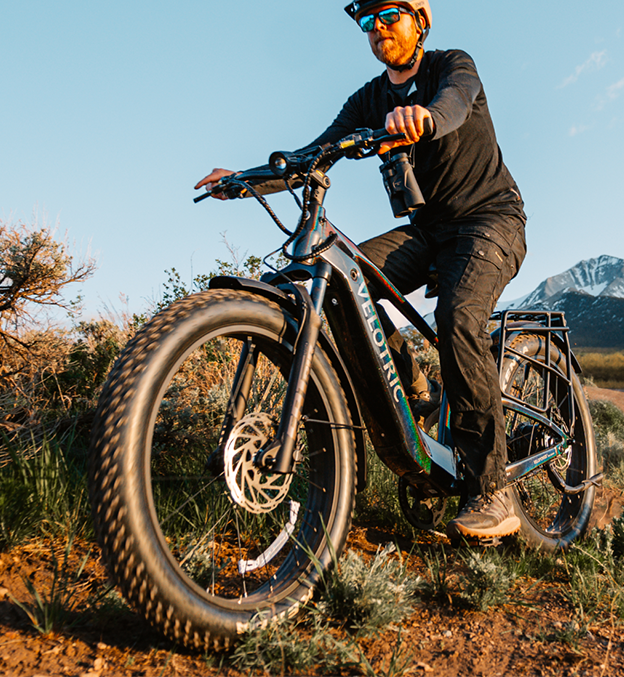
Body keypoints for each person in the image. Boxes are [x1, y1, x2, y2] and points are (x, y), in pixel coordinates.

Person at [195, 0, 527, 541]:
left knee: (459, 319)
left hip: (489, 218)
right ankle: (417, 388)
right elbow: (314, 154)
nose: (378, 30)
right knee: (345, 283)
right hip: (428, 232)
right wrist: (248, 177)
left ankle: (493, 490)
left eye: (389, 17)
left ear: (420, 19)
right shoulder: (370, 99)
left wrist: (424, 119)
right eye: (368, 23)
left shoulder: (451, 65)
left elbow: (454, 105)